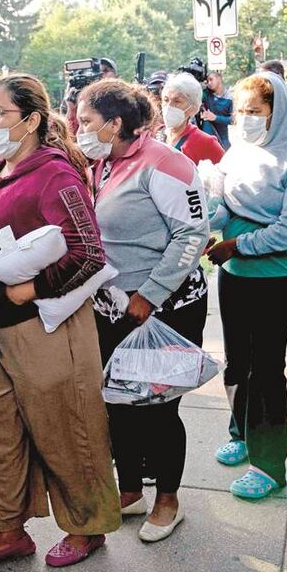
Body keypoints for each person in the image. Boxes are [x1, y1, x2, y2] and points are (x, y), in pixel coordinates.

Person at [0, 73, 120, 572]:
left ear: (30, 119)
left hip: (44, 329)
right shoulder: (0, 170)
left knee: (67, 429)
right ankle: (11, 531)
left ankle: (86, 526)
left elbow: (88, 253)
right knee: (2, 434)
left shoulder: (54, 173)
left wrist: (26, 289)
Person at [77, 79, 209, 542]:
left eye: (87, 121)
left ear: (115, 124)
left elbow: (192, 235)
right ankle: (130, 489)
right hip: (113, 305)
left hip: (164, 307)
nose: (80, 129)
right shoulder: (102, 165)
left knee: (157, 407)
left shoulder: (166, 163)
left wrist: (150, 293)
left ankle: (168, 501)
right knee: (118, 403)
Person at [204, 72, 287, 500]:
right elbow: (223, 208)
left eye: (255, 112)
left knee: (266, 371)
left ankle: (269, 465)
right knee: (237, 364)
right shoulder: (237, 153)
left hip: (275, 280)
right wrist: (207, 223)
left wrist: (237, 244)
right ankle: (241, 431)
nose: (246, 119)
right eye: (241, 111)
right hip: (233, 276)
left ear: (278, 113)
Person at [161, 72, 225, 166]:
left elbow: (224, 177)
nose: (169, 106)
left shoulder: (206, 144)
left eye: (177, 101)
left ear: (193, 108)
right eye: (166, 100)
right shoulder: (155, 135)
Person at [201, 70, 233, 149]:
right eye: (207, 81)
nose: (209, 83)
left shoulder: (230, 98)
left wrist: (215, 118)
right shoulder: (206, 94)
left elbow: (234, 120)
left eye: (211, 79)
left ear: (219, 78)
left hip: (222, 140)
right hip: (207, 139)